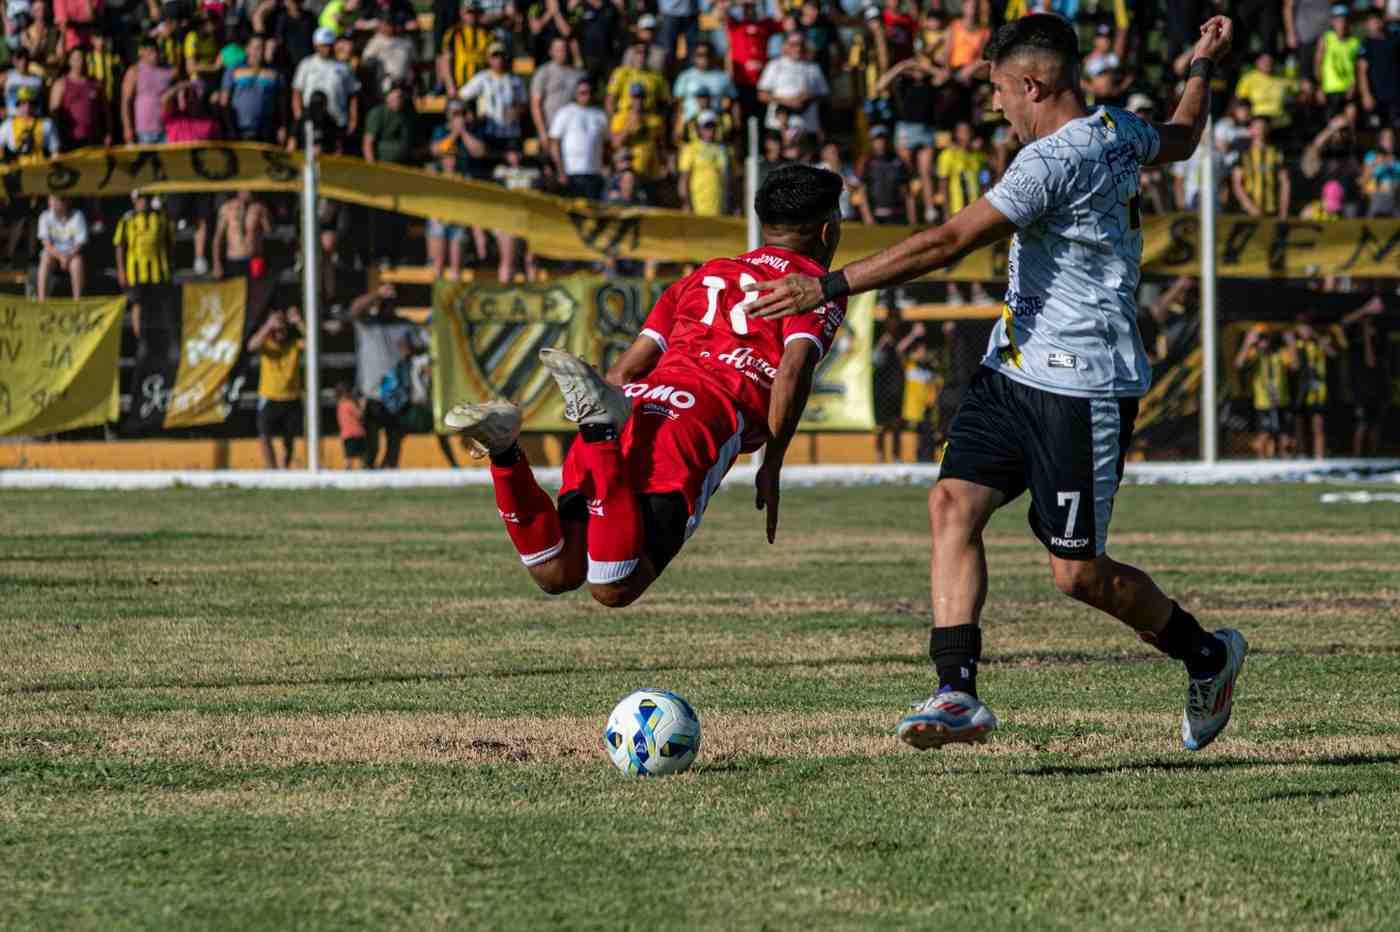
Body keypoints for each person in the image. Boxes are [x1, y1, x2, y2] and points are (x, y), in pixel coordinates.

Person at [743, 14, 1247, 752]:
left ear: (1034, 84)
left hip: (1084, 384)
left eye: (1001, 92)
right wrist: (1200, 64)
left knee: (1075, 575)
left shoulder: (1051, 161)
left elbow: (947, 241)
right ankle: (956, 692)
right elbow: (1183, 136)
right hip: (1012, 366)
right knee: (951, 503)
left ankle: (1208, 655)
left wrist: (829, 287)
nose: (997, 106)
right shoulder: (1115, 128)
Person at [444, 164, 848, 609]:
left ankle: (506, 451)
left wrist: (609, 413)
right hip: (696, 421)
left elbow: (624, 373)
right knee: (615, 585)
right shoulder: (811, 290)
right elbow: (792, 371)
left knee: (557, 570)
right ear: (828, 231)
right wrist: (772, 462)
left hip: (634, 404)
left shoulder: (704, 275)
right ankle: (598, 430)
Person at [349, 283, 418, 469]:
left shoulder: (405, 325)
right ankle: (367, 484)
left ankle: (388, 487)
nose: (386, 305)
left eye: (390, 302)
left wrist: (411, 350)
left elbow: (422, 349)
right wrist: (376, 294)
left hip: (398, 395)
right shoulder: (366, 323)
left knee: (393, 447)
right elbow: (354, 309)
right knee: (371, 449)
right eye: (383, 302)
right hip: (372, 395)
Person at [113, 189, 174, 362]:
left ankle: (165, 342)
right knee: (138, 305)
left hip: (159, 270)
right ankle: (142, 343)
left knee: (162, 306)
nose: (144, 202)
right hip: (135, 271)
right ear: (134, 200)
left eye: (147, 198)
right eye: (140, 198)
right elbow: (119, 245)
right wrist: (121, 270)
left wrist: (170, 265)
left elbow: (170, 243)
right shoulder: (127, 220)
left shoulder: (161, 217)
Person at [248, 307, 305, 469]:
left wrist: (299, 322)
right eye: (276, 328)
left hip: (291, 398)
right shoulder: (266, 344)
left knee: (289, 441)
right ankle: (271, 470)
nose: (279, 331)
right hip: (269, 397)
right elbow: (251, 346)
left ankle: (284, 469)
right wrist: (268, 326)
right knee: (264, 436)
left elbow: (315, 343)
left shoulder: (294, 344)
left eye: (282, 327)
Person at [1234, 326, 1295, 458]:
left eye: (1265, 339)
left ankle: (1285, 465)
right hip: (1263, 403)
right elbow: (1238, 364)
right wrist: (1247, 342)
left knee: (1285, 438)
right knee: (1264, 436)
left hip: (1282, 401)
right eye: (1260, 339)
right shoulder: (1255, 354)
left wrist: (1291, 344)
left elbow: (1294, 366)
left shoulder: (1280, 353)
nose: (1263, 343)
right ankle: (1262, 464)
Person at [548, 76, 607, 200]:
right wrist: (560, 170)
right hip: (572, 172)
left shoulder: (600, 115)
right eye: (583, 93)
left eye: (590, 92)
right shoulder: (565, 113)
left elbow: (606, 144)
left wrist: (606, 167)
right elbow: (554, 143)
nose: (587, 96)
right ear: (576, 94)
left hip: (594, 172)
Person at [1290, 319, 1334, 459]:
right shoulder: (1295, 345)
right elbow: (1293, 366)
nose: (1305, 331)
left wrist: (1316, 335)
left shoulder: (1320, 341)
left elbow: (1333, 353)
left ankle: (1319, 456)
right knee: (1299, 422)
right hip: (1300, 389)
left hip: (1318, 390)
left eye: (1307, 327)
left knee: (1318, 424)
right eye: (1302, 328)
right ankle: (1302, 453)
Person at [1231, 116, 1290, 217]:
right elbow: (1237, 184)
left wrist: (1283, 210)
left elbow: (1285, 183)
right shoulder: (1244, 155)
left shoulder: (1276, 153)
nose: (1261, 130)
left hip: (1272, 210)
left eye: (1263, 127)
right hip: (1249, 212)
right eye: (1257, 127)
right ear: (1251, 130)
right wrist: (1249, 206)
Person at [677, 109, 729, 216]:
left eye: (712, 126)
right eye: (706, 126)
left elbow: (725, 178)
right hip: (696, 204)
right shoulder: (690, 149)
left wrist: (728, 203)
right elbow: (684, 179)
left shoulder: (721, 150)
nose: (710, 130)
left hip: (716, 204)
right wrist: (686, 203)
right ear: (699, 128)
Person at [212, 189, 271, 280]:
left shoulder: (259, 208)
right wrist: (217, 263)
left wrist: (264, 215)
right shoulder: (227, 208)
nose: (247, 192)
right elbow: (218, 238)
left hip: (254, 259)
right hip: (234, 258)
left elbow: (268, 231)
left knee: (255, 290)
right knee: (236, 291)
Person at [35, 194, 86, 300]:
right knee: (45, 260)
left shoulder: (78, 215)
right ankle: (41, 300)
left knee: (77, 263)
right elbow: (46, 244)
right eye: (52, 199)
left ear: (67, 201)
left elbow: (80, 243)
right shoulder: (44, 216)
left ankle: (77, 300)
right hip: (53, 253)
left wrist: (68, 256)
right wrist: (61, 257)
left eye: (59, 200)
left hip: (72, 253)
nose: (55, 203)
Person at [336, 382, 369, 468]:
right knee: (362, 458)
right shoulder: (349, 404)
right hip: (357, 434)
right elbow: (360, 414)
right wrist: (363, 404)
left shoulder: (340, 405)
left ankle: (347, 474)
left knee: (348, 458)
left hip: (346, 435)